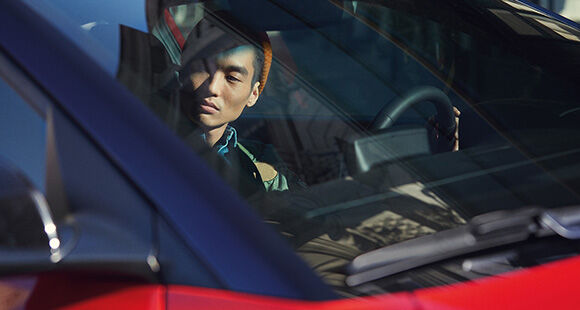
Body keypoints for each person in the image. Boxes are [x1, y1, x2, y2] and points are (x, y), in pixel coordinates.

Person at [176, 13, 295, 194]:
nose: (213, 87)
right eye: (203, 68)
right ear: (183, 69)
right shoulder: (145, 135)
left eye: (232, 78)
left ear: (253, 94)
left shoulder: (261, 165)